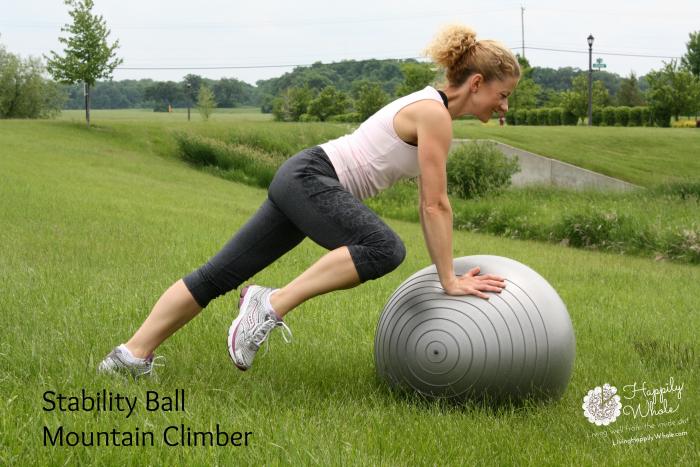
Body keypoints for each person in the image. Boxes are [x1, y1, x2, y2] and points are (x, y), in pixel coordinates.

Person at [98, 24, 520, 378]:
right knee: (384, 249)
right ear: (477, 83)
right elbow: (434, 205)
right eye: (503, 95)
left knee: (217, 275)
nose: (504, 107)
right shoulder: (434, 115)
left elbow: (431, 204)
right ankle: (270, 303)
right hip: (312, 179)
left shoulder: (429, 107)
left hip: (304, 180)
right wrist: (449, 280)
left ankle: (130, 357)